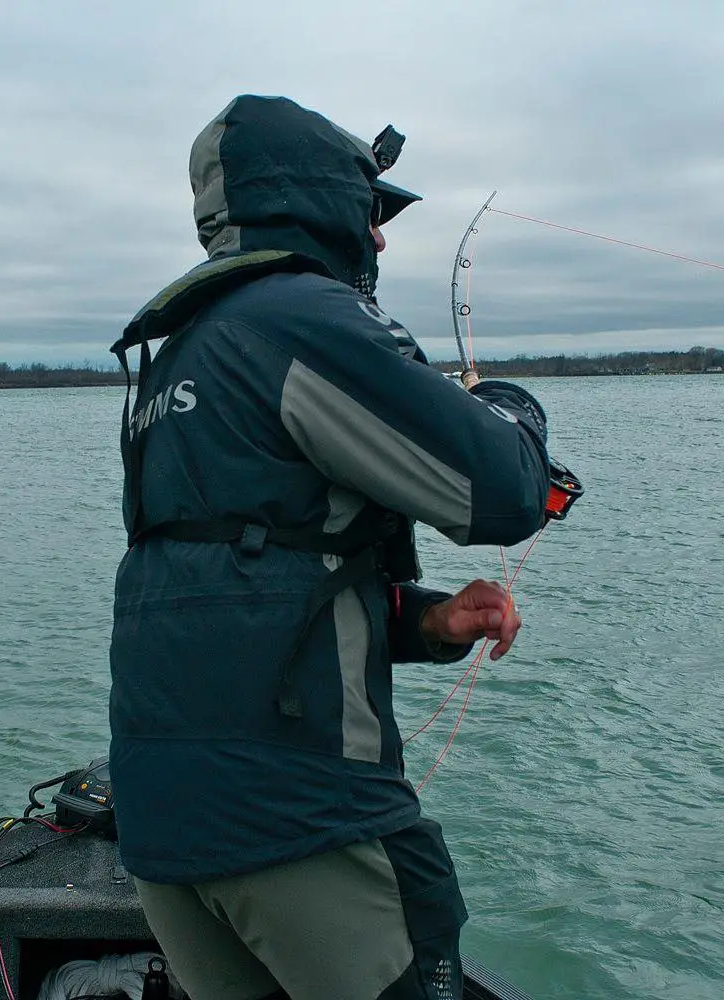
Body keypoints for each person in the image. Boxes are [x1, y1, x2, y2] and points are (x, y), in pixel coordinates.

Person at [108, 95, 552, 1000]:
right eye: (370, 212)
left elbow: (251, 578)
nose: (380, 242)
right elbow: (505, 489)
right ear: (315, 202)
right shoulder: (300, 318)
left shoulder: (179, 353)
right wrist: (506, 406)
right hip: (298, 819)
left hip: (163, 829)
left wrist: (433, 621)